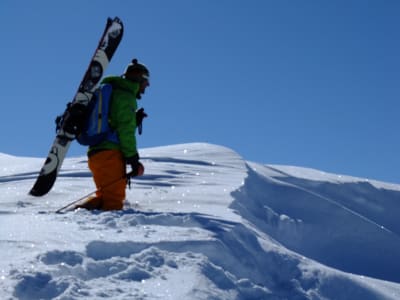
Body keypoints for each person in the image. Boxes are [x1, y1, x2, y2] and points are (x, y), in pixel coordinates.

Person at [76, 58, 150, 211]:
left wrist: (134, 121)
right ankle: (85, 229)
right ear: (138, 78)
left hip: (98, 154)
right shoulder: (125, 96)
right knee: (113, 204)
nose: (147, 85)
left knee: (104, 197)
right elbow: (125, 131)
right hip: (110, 155)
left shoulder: (115, 91)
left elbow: (114, 123)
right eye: (146, 80)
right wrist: (133, 159)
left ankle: (75, 216)